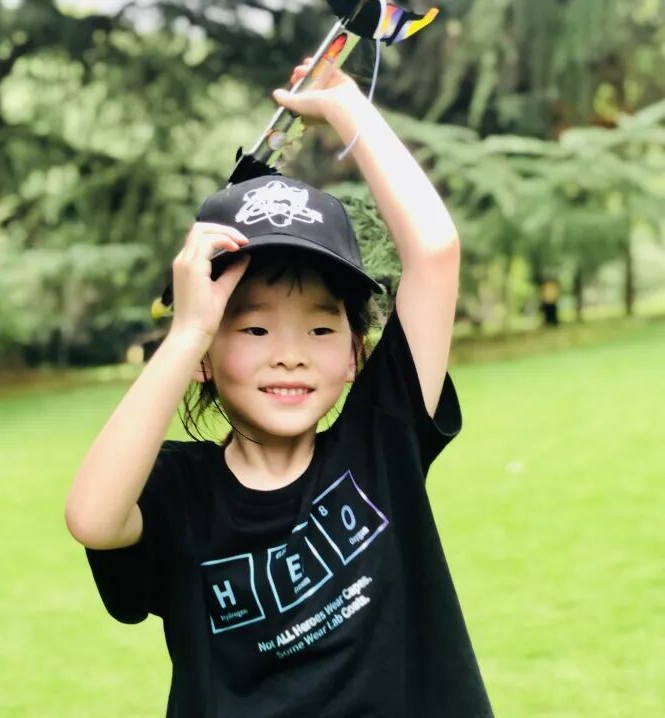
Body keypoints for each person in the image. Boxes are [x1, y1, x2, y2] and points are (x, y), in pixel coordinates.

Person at [64, 56, 494, 717]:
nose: (290, 357)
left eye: (320, 330)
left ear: (354, 356)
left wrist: (345, 105)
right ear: (204, 357)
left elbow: (433, 253)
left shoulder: (381, 439)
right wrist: (187, 331)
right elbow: (92, 519)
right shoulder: (180, 490)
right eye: (255, 330)